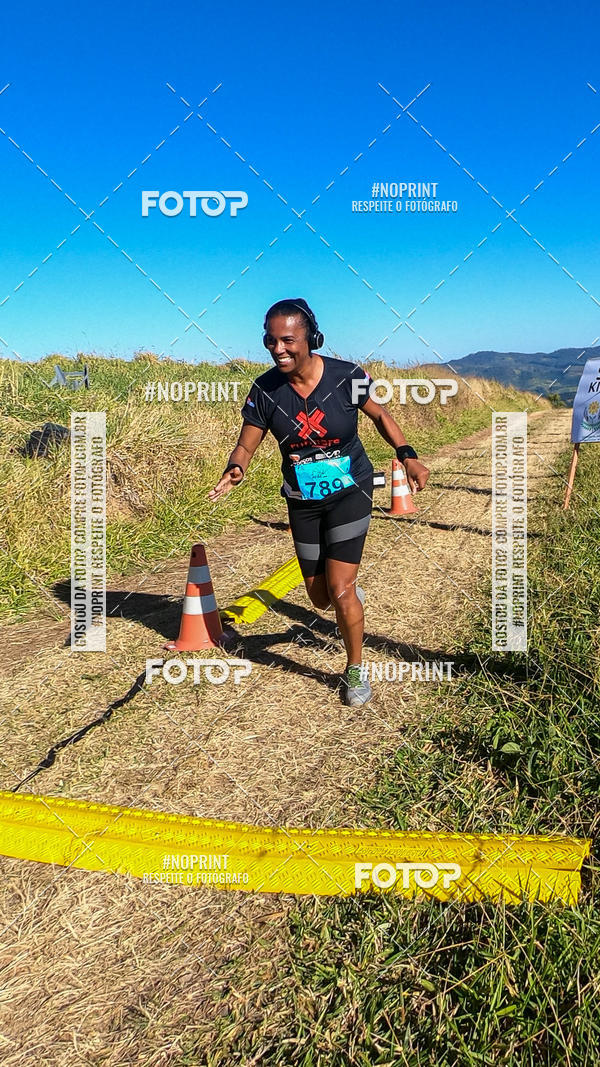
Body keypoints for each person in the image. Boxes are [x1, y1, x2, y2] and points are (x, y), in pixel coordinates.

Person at [208, 299, 430, 706]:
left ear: (311, 338)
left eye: (288, 341)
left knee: (342, 588)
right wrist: (235, 467)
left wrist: (407, 454)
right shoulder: (265, 390)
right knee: (319, 596)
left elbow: (380, 416)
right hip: (303, 500)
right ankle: (346, 601)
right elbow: (246, 442)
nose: (279, 350)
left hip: (351, 490)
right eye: (271, 341)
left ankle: (355, 669)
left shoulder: (348, 377)